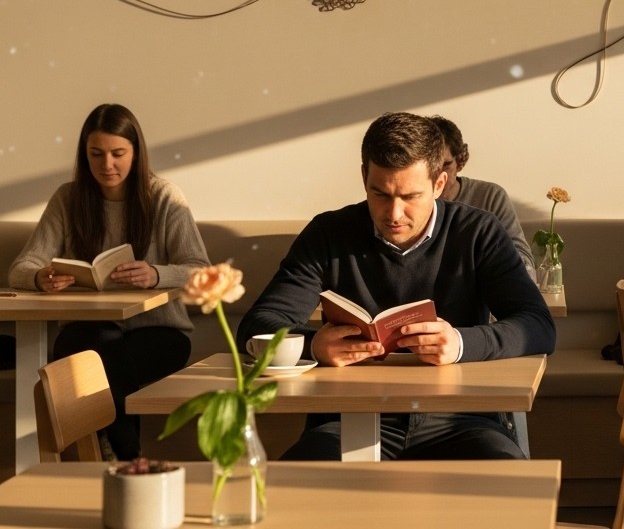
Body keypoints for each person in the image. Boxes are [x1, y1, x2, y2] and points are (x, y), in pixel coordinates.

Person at [236, 111, 556, 461]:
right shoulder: (329, 233)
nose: (394, 213)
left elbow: (538, 325)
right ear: (364, 177)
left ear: (439, 184)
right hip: (346, 419)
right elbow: (256, 326)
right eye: (381, 194)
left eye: (411, 196)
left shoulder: (477, 231)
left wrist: (461, 343)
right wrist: (314, 347)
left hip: (461, 419)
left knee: (510, 488)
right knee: (287, 492)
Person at [7, 103, 208, 460]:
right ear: (84, 156)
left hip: (159, 333)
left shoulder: (164, 197)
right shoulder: (68, 199)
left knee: (93, 365)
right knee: (84, 344)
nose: (107, 165)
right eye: (96, 154)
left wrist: (157, 273)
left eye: (118, 154)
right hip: (90, 330)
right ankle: (130, 461)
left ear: (136, 153)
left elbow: (200, 269)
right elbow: (21, 267)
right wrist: (41, 277)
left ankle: (114, 453)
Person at [428, 115, 535, 280]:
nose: (437, 176)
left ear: (460, 161)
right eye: (429, 167)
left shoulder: (490, 197)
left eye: (445, 165)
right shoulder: (410, 204)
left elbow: (525, 265)